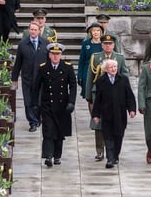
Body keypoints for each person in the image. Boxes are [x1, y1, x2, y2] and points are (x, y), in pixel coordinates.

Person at [85, 33, 129, 162]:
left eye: (110, 44)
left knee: (114, 124)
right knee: (98, 124)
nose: (108, 46)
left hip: (115, 96)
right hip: (98, 94)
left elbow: (124, 75)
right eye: (105, 44)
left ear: (114, 45)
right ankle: (100, 150)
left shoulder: (119, 58)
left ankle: (113, 151)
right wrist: (88, 95)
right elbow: (90, 77)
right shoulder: (96, 57)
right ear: (102, 45)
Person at [32, 42, 77, 167]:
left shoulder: (67, 67)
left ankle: (57, 156)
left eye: (58, 54)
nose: (56, 56)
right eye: (53, 54)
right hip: (47, 105)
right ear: (49, 55)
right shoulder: (43, 68)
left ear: (61, 54)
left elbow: (73, 86)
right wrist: (35, 104)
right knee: (48, 131)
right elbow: (36, 87)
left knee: (59, 132)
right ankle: (48, 156)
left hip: (62, 106)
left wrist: (72, 102)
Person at [91, 58, 136, 169]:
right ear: (106, 69)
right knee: (108, 137)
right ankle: (110, 159)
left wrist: (132, 109)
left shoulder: (123, 79)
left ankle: (115, 156)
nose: (113, 69)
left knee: (118, 137)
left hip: (120, 115)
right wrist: (96, 115)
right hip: (107, 115)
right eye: (111, 67)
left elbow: (129, 96)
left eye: (115, 67)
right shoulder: (101, 81)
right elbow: (98, 99)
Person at [11, 21, 48, 132]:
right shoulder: (22, 44)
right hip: (27, 77)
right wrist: (14, 78)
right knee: (28, 100)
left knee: (40, 100)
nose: (33, 32)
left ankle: (38, 117)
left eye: (35, 30)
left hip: (41, 78)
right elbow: (18, 63)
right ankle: (32, 122)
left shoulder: (45, 43)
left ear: (39, 31)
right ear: (28, 30)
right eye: (31, 29)